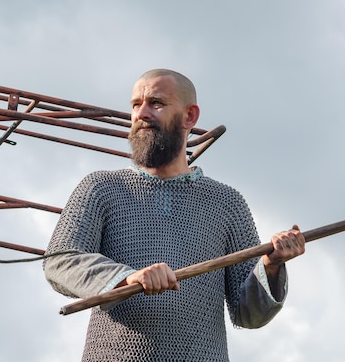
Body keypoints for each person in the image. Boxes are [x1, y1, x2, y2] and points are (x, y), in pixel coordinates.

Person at [43, 69, 305, 362]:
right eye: (135, 104)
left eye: (156, 103)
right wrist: (127, 279)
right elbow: (61, 260)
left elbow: (249, 315)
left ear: (189, 117)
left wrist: (271, 265)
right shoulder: (102, 187)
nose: (141, 113)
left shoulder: (226, 203)